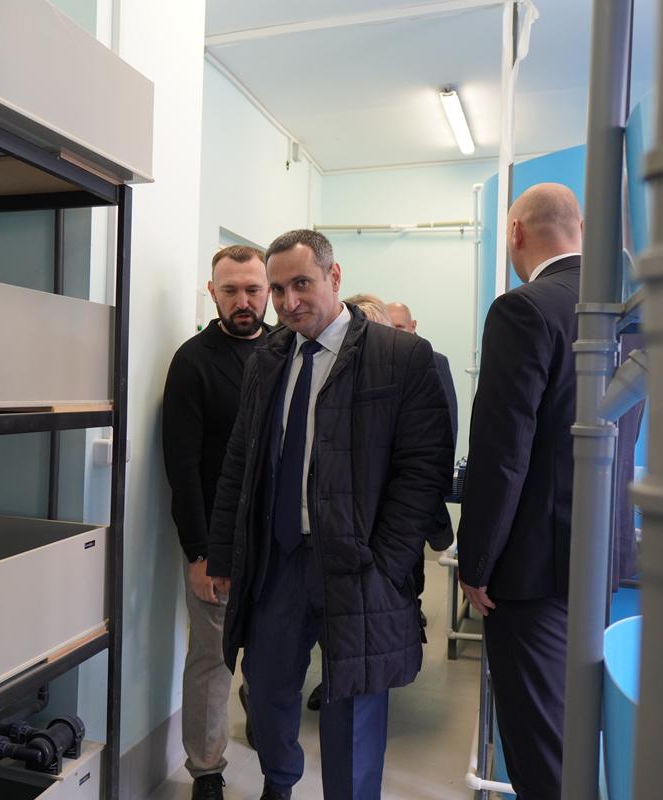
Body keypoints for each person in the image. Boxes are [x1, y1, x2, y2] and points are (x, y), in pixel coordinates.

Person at [208, 230, 454, 800]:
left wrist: (388, 560)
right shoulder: (268, 359)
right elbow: (241, 462)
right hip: (279, 559)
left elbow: (424, 469)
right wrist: (223, 552)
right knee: (267, 687)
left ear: (334, 276)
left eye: (301, 284)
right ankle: (279, 784)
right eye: (277, 290)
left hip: (359, 563)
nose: (288, 301)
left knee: (353, 702)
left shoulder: (400, 357)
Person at [456, 182, 584, 800]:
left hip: (530, 568)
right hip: (597, 559)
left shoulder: (524, 309)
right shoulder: (626, 311)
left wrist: (476, 561)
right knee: (581, 727)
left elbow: (502, 452)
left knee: (538, 745)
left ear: (516, 233)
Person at [162, 245, 270, 800]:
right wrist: (199, 552)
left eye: (253, 289)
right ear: (212, 293)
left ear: (269, 290)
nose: (243, 301)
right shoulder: (193, 362)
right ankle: (206, 768)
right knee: (212, 657)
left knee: (273, 647)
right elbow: (181, 465)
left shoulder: (289, 350)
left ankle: (261, 708)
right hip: (218, 540)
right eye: (230, 290)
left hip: (279, 536)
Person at [385, 301, 459, 629]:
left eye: (399, 327)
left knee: (412, 555)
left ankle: (412, 608)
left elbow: (448, 424)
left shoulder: (434, 362)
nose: (393, 333)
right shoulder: (375, 361)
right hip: (382, 486)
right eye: (388, 327)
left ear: (413, 325)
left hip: (414, 483)